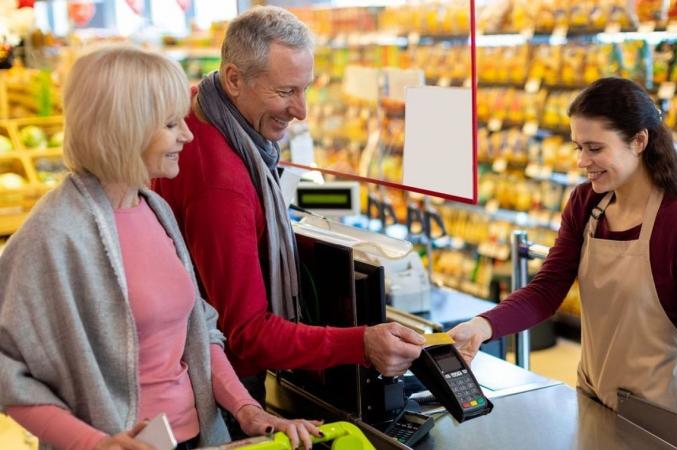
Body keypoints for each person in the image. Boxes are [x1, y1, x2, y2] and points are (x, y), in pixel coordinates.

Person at [0, 46, 320, 450]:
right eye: (171, 124)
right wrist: (95, 443)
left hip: (198, 437)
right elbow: (8, 369)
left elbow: (197, 329)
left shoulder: (153, 208)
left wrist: (246, 409)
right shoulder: (54, 232)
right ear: (125, 129)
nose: (187, 134)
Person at [152, 5, 424, 405]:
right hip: (218, 389)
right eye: (285, 92)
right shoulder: (222, 184)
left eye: (305, 89)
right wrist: (362, 344)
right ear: (233, 79)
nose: (301, 111)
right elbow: (247, 334)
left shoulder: (202, 105)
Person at [448, 77, 677, 414]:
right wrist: (482, 326)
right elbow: (547, 290)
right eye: (578, 146)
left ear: (639, 141)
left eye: (595, 148)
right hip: (594, 397)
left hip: (663, 416)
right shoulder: (585, 204)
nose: (582, 160)